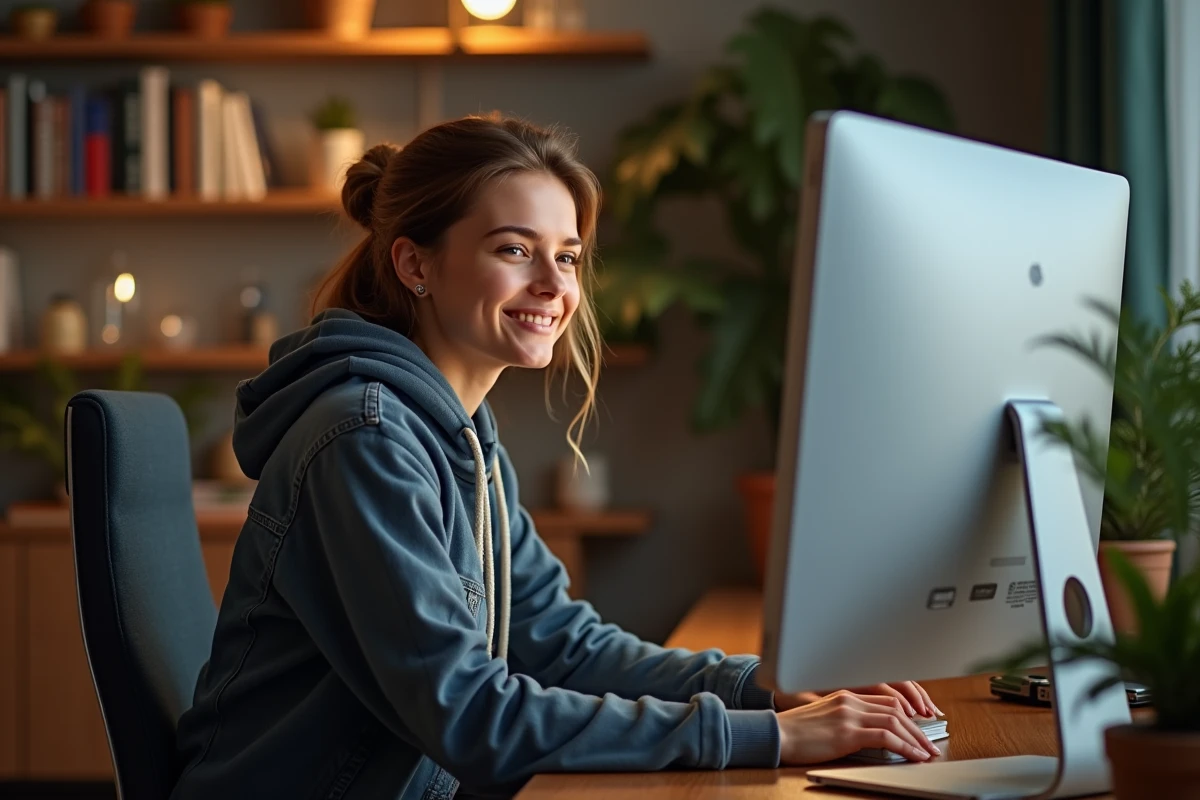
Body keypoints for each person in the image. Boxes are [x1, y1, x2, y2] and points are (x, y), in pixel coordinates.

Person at [170, 115, 942, 800]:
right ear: (415, 265)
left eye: (568, 257)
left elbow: (564, 649)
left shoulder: (462, 435)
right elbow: (472, 718)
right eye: (515, 250)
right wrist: (771, 738)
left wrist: (766, 689)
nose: (553, 286)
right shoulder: (365, 440)